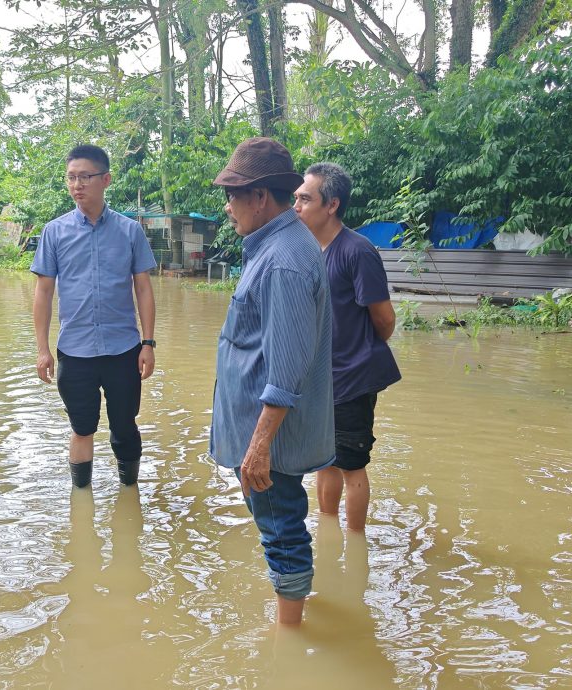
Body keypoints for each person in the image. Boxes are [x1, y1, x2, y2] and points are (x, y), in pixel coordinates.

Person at [210, 138, 336, 626]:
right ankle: (296, 606)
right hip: (263, 432)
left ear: (260, 197)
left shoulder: (283, 260)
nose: (228, 207)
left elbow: (285, 371)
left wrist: (260, 445)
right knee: (280, 523)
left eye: (233, 195)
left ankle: (290, 637)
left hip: (269, 439)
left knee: (281, 529)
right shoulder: (278, 247)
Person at [31, 144, 157, 489]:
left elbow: (143, 289)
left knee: (124, 426)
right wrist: (42, 350)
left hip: (123, 350)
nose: (77, 185)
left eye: (85, 177)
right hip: (75, 351)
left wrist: (147, 343)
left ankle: (129, 495)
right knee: (81, 428)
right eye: (71, 177)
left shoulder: (129, 231)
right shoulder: (54, 232)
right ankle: (81, 501)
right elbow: (44, 292)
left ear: (106, 179)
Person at [293, 163, 401, 532]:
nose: (296, 206)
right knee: (324, 461)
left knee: (352, 465)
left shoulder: (357, 251)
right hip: (319, 379)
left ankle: (355, 543)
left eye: (305, 199)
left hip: (353, 379)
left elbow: (384, 319)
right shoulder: (307, 251)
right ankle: (328, 532)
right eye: (296, 198)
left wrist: (358, 353)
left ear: (332, 205)